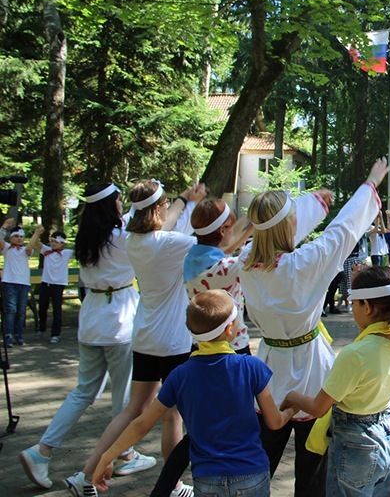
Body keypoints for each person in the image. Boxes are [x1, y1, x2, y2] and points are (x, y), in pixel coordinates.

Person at [240, 158, 388, 496]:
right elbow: (343, 230)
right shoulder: (304, 263)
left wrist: (314, 204)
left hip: (268, 371)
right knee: (313, 469)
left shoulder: (245, 263)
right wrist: (370, 184)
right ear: (290, 224)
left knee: (261, 460)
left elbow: (276, 228)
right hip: (311, 371)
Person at [64, 180, 204, 497]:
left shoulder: (132, 239)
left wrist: (184, 200)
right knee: (173, 414)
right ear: (157, 209)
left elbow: (163, 225)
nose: (169, 209)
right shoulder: (171, 243)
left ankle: (86, 474)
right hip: (172, 341)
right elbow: (211, 244)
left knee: (132, 410)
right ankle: (174, 485)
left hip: (144, 337)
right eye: (165, 205)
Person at [92, 290, 297, 497]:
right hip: (251, 474)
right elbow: (274, 422)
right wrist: (291, 410)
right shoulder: (250, 367)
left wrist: (107, 456)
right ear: (229, 329)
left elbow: (141, 424)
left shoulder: (180, 375)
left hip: (207, 478)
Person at [18, 183, 147, 490]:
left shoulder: (85, 239)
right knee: (124, 400)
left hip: (90, 322)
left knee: (82, 393)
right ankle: (122, 455)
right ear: (109, 205)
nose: (120, 204)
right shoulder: (120, 240)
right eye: (117, 200)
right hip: (118, 324)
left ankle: (43, 450)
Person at [281, 265, 390, 496]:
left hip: (355, 440)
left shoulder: (354, 354)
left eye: (355, 303)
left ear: (367, 306)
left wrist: (293, 397)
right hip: (386, 433)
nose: (352, 308)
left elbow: (318, 408)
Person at [149, 197, 256, 497]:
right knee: (243, 420)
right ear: (223, 231)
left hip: (200, 351)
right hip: (233, 351)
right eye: (231, 227)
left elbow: (224, 251)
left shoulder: (195, 257)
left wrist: (247, 228)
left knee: (198, 429)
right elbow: (246, 258)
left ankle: (164, 487)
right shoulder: (225, 267)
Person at [1, 220, 43, 346]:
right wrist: (4, 227)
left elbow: (30, 247)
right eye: (16, 236)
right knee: (10, 310)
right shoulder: (7, 248)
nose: (19, 239)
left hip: (24, 284)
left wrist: (37, 233)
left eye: (21, 236)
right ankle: (8, 335)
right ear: (10, 237)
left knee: (21, 311)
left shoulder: (26, 250)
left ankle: (18, 335)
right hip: (9, 283)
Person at [38, 230, 74, 343]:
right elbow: (36, 243)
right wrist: (37, 233)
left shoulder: (66, 253)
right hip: (45, 283)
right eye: (52, 241)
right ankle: (41, 329)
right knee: (42, 308)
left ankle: (55, 333)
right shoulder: (46, 250)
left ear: (62, 243)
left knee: (57, 309)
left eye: (56, 242)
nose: (53, 244)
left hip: (58, 285)